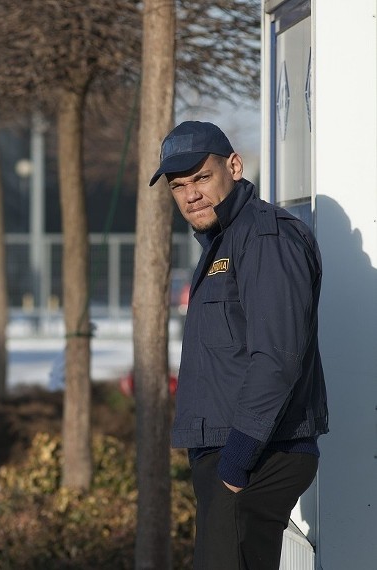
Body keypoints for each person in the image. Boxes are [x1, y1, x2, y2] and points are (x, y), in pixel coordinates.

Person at [150, 121, 328, 569]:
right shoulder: (224, 242)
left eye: (201, 178)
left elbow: (278, 358)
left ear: (233, 165)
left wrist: (234, 464)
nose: (191, 195)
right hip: (235, 454)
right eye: (179, 186)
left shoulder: (265, 237)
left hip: (258, 453)